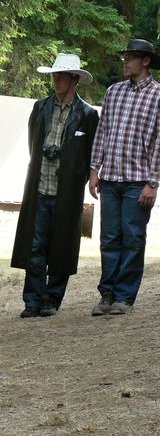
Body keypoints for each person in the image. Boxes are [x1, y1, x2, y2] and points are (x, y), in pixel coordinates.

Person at [89, 39, 160, 315]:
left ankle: (124, 296)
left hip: (138, 180)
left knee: (133, 238)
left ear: (145, 61)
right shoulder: (113, 92)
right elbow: (102, 132)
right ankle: (107, 293)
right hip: (111, 178)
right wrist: (94, 169)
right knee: (109, 238)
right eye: (124, 57)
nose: (125, 61)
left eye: (130, 57)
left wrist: (152, 182)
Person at [11, 54, 99, 318]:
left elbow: (89, 154)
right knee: (35, 245)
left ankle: (52, 299)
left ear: (74, 80)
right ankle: (32, 299)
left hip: (67, 191)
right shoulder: (40, 108)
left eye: (61, 76)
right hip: (39, 187)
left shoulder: (87, 114)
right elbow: (34, 144)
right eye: (54, 75)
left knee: (62, 243)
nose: (56, 79)